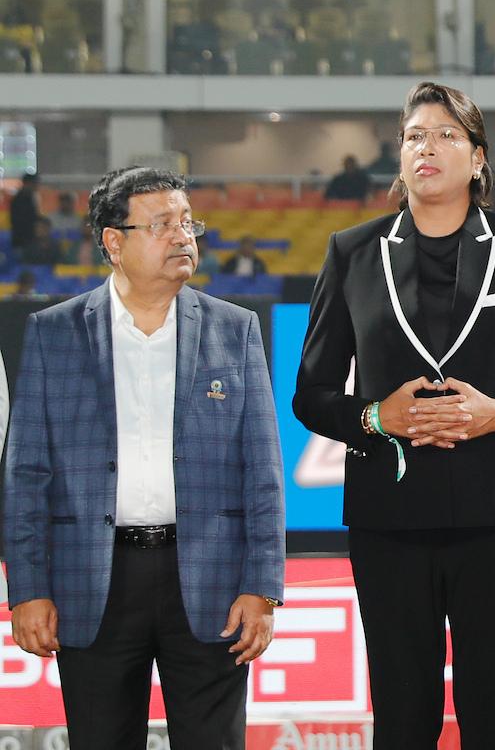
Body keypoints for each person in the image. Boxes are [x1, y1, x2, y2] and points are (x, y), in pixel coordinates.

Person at [292, 81, 495, 749]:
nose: (426, 147)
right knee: (403, 723)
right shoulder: (351, 253)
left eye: (445, 135)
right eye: (413, 136)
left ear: (478, 158)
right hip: (389, 522)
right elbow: (312, 395)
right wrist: (377, 417)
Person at [3, 167, 286, 749]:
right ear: (113, 241)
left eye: (189, 223)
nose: (184, 237)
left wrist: (263, 585)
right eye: (162, 225)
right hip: (92, 580)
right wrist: (27, 587)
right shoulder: (53, 334)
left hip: (210, 582)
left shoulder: (235, 331)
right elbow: (26, 472)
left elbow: (263, 469)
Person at [10, 172, 41, 252]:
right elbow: (25, 221)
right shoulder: (20, 200)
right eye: (36, 183)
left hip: (27, 240)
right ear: (29, 183)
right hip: (23, 241)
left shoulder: (31, 197)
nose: (38, 186)